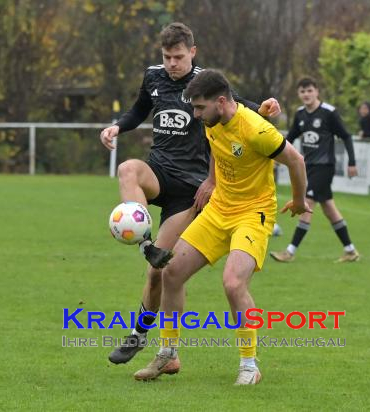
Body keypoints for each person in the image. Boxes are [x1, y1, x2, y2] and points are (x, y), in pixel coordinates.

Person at [99, 23, 280, 367]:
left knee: (158, 275)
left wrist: (264, 108)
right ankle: (143, 240)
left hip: (190, 191)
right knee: (127, 169)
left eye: (178, 57)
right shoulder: (153, 77)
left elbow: (235, 105)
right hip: (159, 172)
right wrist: (117, 127)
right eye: (166, 57)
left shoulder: (204, 84)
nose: (171, 64)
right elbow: (139, 110)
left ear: (192, 52)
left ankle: (143, 336)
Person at [133, 69, 309, 385]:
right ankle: (169, 353)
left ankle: (249, 364)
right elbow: (217, 147)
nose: (195, 114)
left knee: (232, 283)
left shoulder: (256, 130)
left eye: (200, 108)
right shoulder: (212, 122)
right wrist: (213, 180)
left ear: (222, 101)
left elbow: (296, 161)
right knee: (170, 273)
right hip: (218, 210)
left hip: (253, 214)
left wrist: (298, 200)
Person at [270, 77, 360, 263]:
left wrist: (352, 162)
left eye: (310, 90)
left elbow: (346, 136)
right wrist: (274, 155)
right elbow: (290, 138)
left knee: (306, 203)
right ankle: (350, 250)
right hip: (308, 167)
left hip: (325, 167)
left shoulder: (329, 113)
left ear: (317, 91)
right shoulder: (300, 114)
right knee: (329, 209)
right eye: (302, 91)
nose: (306, 94)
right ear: (299, 94)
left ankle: (290, 251)